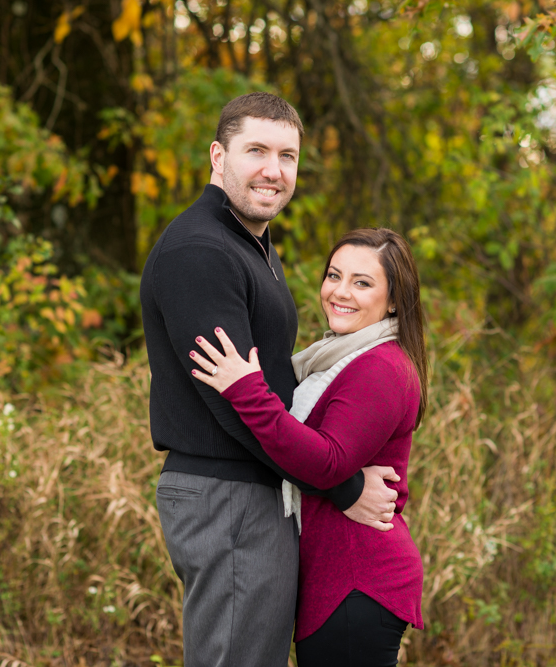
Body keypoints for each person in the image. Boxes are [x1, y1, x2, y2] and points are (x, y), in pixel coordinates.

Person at [139, 93, 401, 667]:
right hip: (227, 496)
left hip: (253, 494)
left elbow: (267, 383)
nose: (273, 170)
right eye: (256, 150)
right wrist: (342, 486)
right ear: (217, 156)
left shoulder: (249, 243)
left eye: (287, 155)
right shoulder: (200, 251)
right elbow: (231, 404)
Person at [190, 228, 427, 667]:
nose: (341, 292)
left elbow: (326, 460)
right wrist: (352, 486)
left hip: (358, 577)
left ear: (394, 301)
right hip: (338, 575)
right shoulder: (339, 356)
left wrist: (247, 391)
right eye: (334, 276)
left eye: (362, 282)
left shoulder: (381, 367)